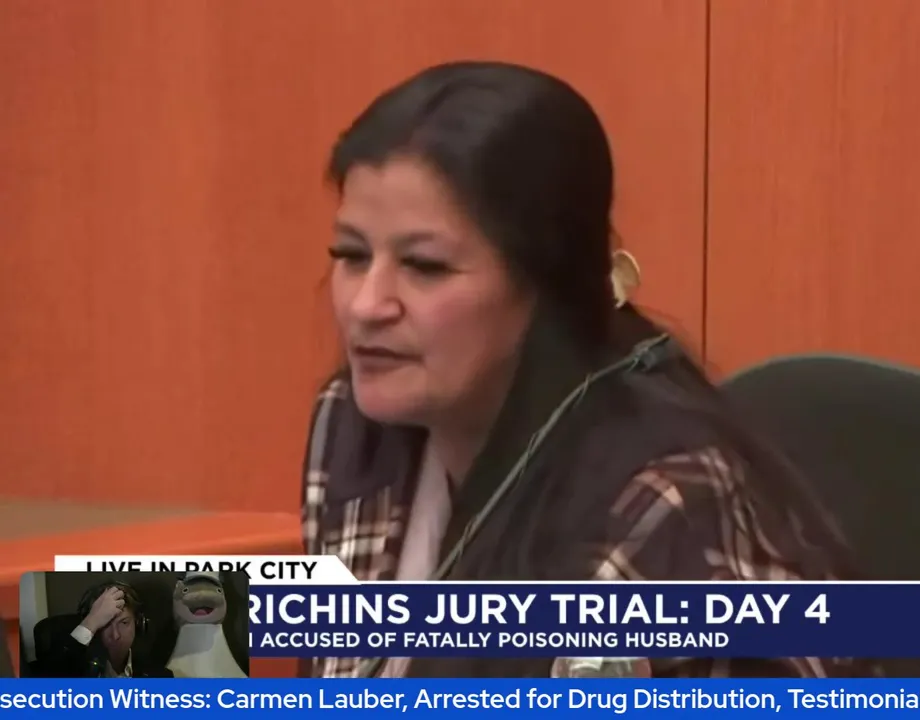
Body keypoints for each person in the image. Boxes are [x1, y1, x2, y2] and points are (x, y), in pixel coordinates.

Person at [300, 60, 869, 678]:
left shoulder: (662, 496)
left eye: (425, 267)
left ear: (546, 285)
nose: (366, 305)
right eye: (351, 255)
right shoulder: (352, 419)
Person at [43, 583, 173, 678]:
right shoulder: (73, 671)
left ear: (139, 625)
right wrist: (92, 620)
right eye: (105, 624)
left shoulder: (160, 677)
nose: (115, 635)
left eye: (124, 623)